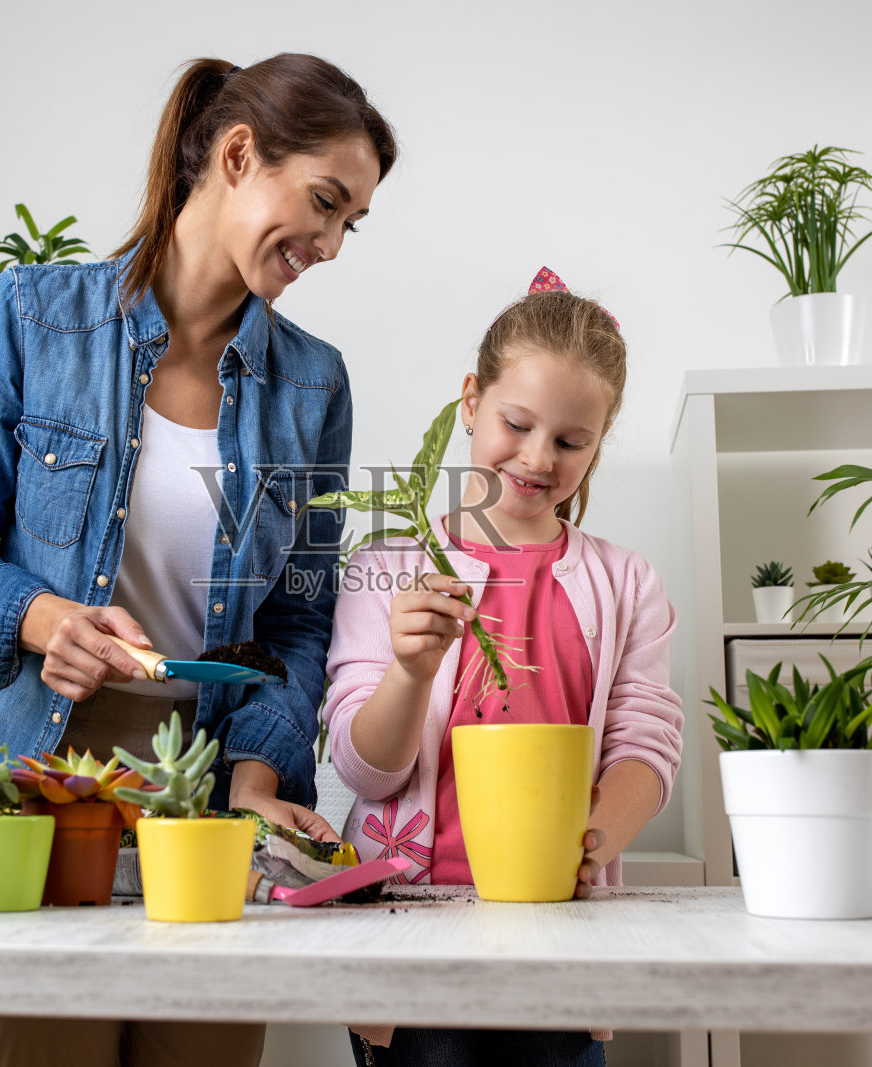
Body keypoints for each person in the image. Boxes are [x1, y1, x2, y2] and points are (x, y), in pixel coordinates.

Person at [0, 53, 396, 1067]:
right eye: (324, 203)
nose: (331, 245)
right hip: (37, 783)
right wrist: (45, 618)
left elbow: (297, 617)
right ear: (238, 154)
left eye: (351, 223)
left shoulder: (314, 384)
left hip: (207, 797)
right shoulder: (32, 317)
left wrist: (256, 778)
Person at [322, 269, 684, 1067]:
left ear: (599, 442)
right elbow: (364, 768)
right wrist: (409, 670)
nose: (537, 456)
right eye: (516, 423)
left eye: (571, 441)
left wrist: (589, 848)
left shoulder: (627, 583)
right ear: (470, 401)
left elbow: (646, 744)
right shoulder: (389, 569)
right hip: (410, 929)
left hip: (561, 934)